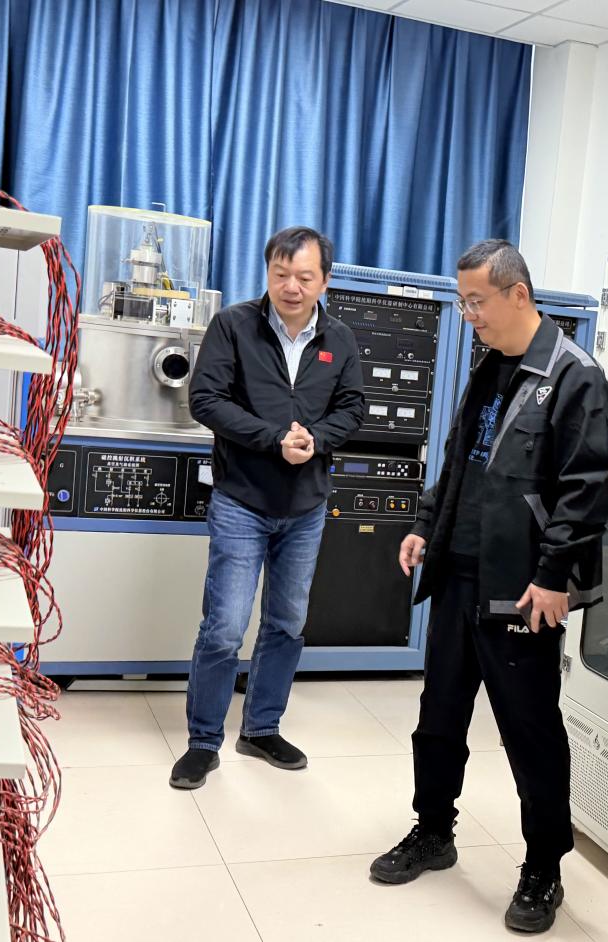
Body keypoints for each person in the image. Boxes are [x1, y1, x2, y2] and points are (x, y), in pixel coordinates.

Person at [369, 239, 608, 934]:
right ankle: (432, 830)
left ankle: (543, 868)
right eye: (462, 302)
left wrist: (554, 575)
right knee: (438, 717)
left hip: (522, 587)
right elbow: (461, 459)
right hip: (458, 573)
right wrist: (427, 525)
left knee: (531, 734)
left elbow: (586, 490)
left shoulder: (573, 375)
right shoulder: (489, 365)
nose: (468, 314)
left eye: (476, 301)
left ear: (518, 294)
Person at [169, 226, 365, 790]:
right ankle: (203, 741)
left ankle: (260, 729)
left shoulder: (340, 338)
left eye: (304, 276)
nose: (291, 287)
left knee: (287, 622)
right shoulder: (234, 325)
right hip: (242, 499)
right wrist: (274, 438)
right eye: (281, 274)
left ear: (325, 280)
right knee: (225, 626)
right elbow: (205, 399)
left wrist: (316, 439)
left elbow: (353, 407)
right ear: (268, 273)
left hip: (305, 505)